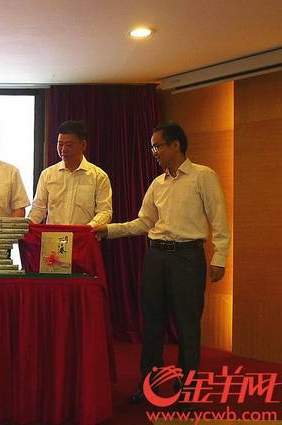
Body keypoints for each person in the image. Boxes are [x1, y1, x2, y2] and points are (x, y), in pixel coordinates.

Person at [92, 122, 230, 405]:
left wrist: (220, 258)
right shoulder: (157, 183)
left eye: (158, 146)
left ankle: (188, 390)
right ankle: (148, 385)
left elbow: (219, 220)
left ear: (176, 145)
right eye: (152, 147)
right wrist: (109, 230)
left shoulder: (203, 176)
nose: (154, 152)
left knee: (187, 325)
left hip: (187, 257)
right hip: (155, 257)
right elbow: (144, 222)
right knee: (152, 324)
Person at [28, 120, 112, 226]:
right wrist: (28, 225)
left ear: (83, 145)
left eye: (69, 145)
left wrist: (89, 228)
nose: (63, 149)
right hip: (53, 235)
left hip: (84, 234)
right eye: (60, 144)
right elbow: (38, 208)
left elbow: (105, 211)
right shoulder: (47, 175)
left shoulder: (99, 176)